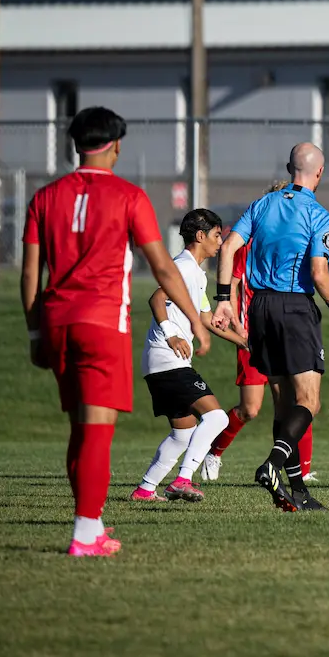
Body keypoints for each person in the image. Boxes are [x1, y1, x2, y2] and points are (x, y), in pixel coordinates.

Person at [21, 107, 209, 556]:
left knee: (79, 429)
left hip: (57, 322)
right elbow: (163, 267)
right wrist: (196, 321)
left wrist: (35, 334)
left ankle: (90, 525)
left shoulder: (44, 197)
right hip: (103, 324)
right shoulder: (128, 196)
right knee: (98, 432)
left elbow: (30, 275)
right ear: (116, 146)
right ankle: (86, 534)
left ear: (76, 144)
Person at [211, 143, 329, 513]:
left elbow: (227, 249)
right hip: (294, 309)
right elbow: (319, 274)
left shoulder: (262, 205)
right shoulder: (318, 214)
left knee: (283, 404)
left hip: (259, 309)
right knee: (309, 401)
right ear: (319, 172)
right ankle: (271, 465)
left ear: (290, 168)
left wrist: (224, 299)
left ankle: (298, 493)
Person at [200, 183, 317, 485]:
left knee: (301, 399)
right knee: (250, 408)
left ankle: (301, 471)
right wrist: (238, 326)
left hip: (284, 330)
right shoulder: (249, 242)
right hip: (253, 333)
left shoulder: (293, 239)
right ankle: (214, 452)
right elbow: (233, 283)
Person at [132, 208, 249, 503]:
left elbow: (206, 319)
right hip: (167, 358)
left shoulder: (196, 273)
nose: (220, 242)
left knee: (183, 434)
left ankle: (145, 490)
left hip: (161, 362)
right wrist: (171, 334)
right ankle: (182, 481)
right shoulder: (183, 267)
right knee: (217, 417)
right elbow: (157, 298)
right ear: (200, 236)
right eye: (217, 236)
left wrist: (243, 342)